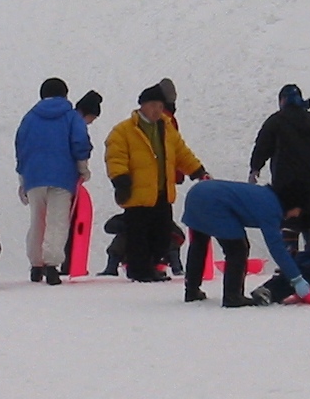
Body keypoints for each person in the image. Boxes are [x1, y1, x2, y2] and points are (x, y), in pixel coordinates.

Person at [105, 83, 208, 282]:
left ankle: (150, 266)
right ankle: (140, 271)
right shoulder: (124, 130)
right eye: (153, 105)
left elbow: (182, 153)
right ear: (142, 105)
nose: (157, 110)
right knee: (139, 236)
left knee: (162, 235)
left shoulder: (167, 128)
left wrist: (198, 171)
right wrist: (121, 180)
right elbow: (115, 157)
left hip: (162, 192)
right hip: (138, 193)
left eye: (160, 106)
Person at [182, 180, 310, 307]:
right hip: (215, 204)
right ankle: (233, 297)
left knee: (199, 244)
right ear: (293, 204)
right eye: (299, 210)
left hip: (197, 193)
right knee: (237, 250)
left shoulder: (265, 195)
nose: (297, 214)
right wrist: (296, 278)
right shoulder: (271, 208)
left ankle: (191, 291)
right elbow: (277, 247)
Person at [15, 77, 92, 285]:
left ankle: (35, 265)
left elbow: (21, 148)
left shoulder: (29, 118)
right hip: (62, 176)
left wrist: (22, 177)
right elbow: (80, 142)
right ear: (65, 94)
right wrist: (82, 168)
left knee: (37, 220)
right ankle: (51, 265)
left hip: (34, 176)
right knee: (57, 221)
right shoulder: (71, 116)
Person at [249, 84, 310, 254]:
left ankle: (290, 263)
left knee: (289, 219)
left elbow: (262, 146)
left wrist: (255, 168)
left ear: (282, 100)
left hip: (287, 182)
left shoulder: (277, 120)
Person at [58, 89, 103, 275]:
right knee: (68, 222)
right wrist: (83, 171)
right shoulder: (76, 123)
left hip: (54, 177)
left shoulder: (63, 121)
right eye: (92, 117)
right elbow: (81, 146)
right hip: (67, 180)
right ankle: (67, 263)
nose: (92, 122)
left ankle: (55, 263)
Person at [96, 213, 186, 276]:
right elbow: (108, 227)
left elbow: (179, 237)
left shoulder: (162, 220)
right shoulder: (129, 218)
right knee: (122, 238)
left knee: (167, 239)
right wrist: (130, 228)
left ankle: (177, 268)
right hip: (132, 256)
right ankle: (111, 267)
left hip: (156, 257)